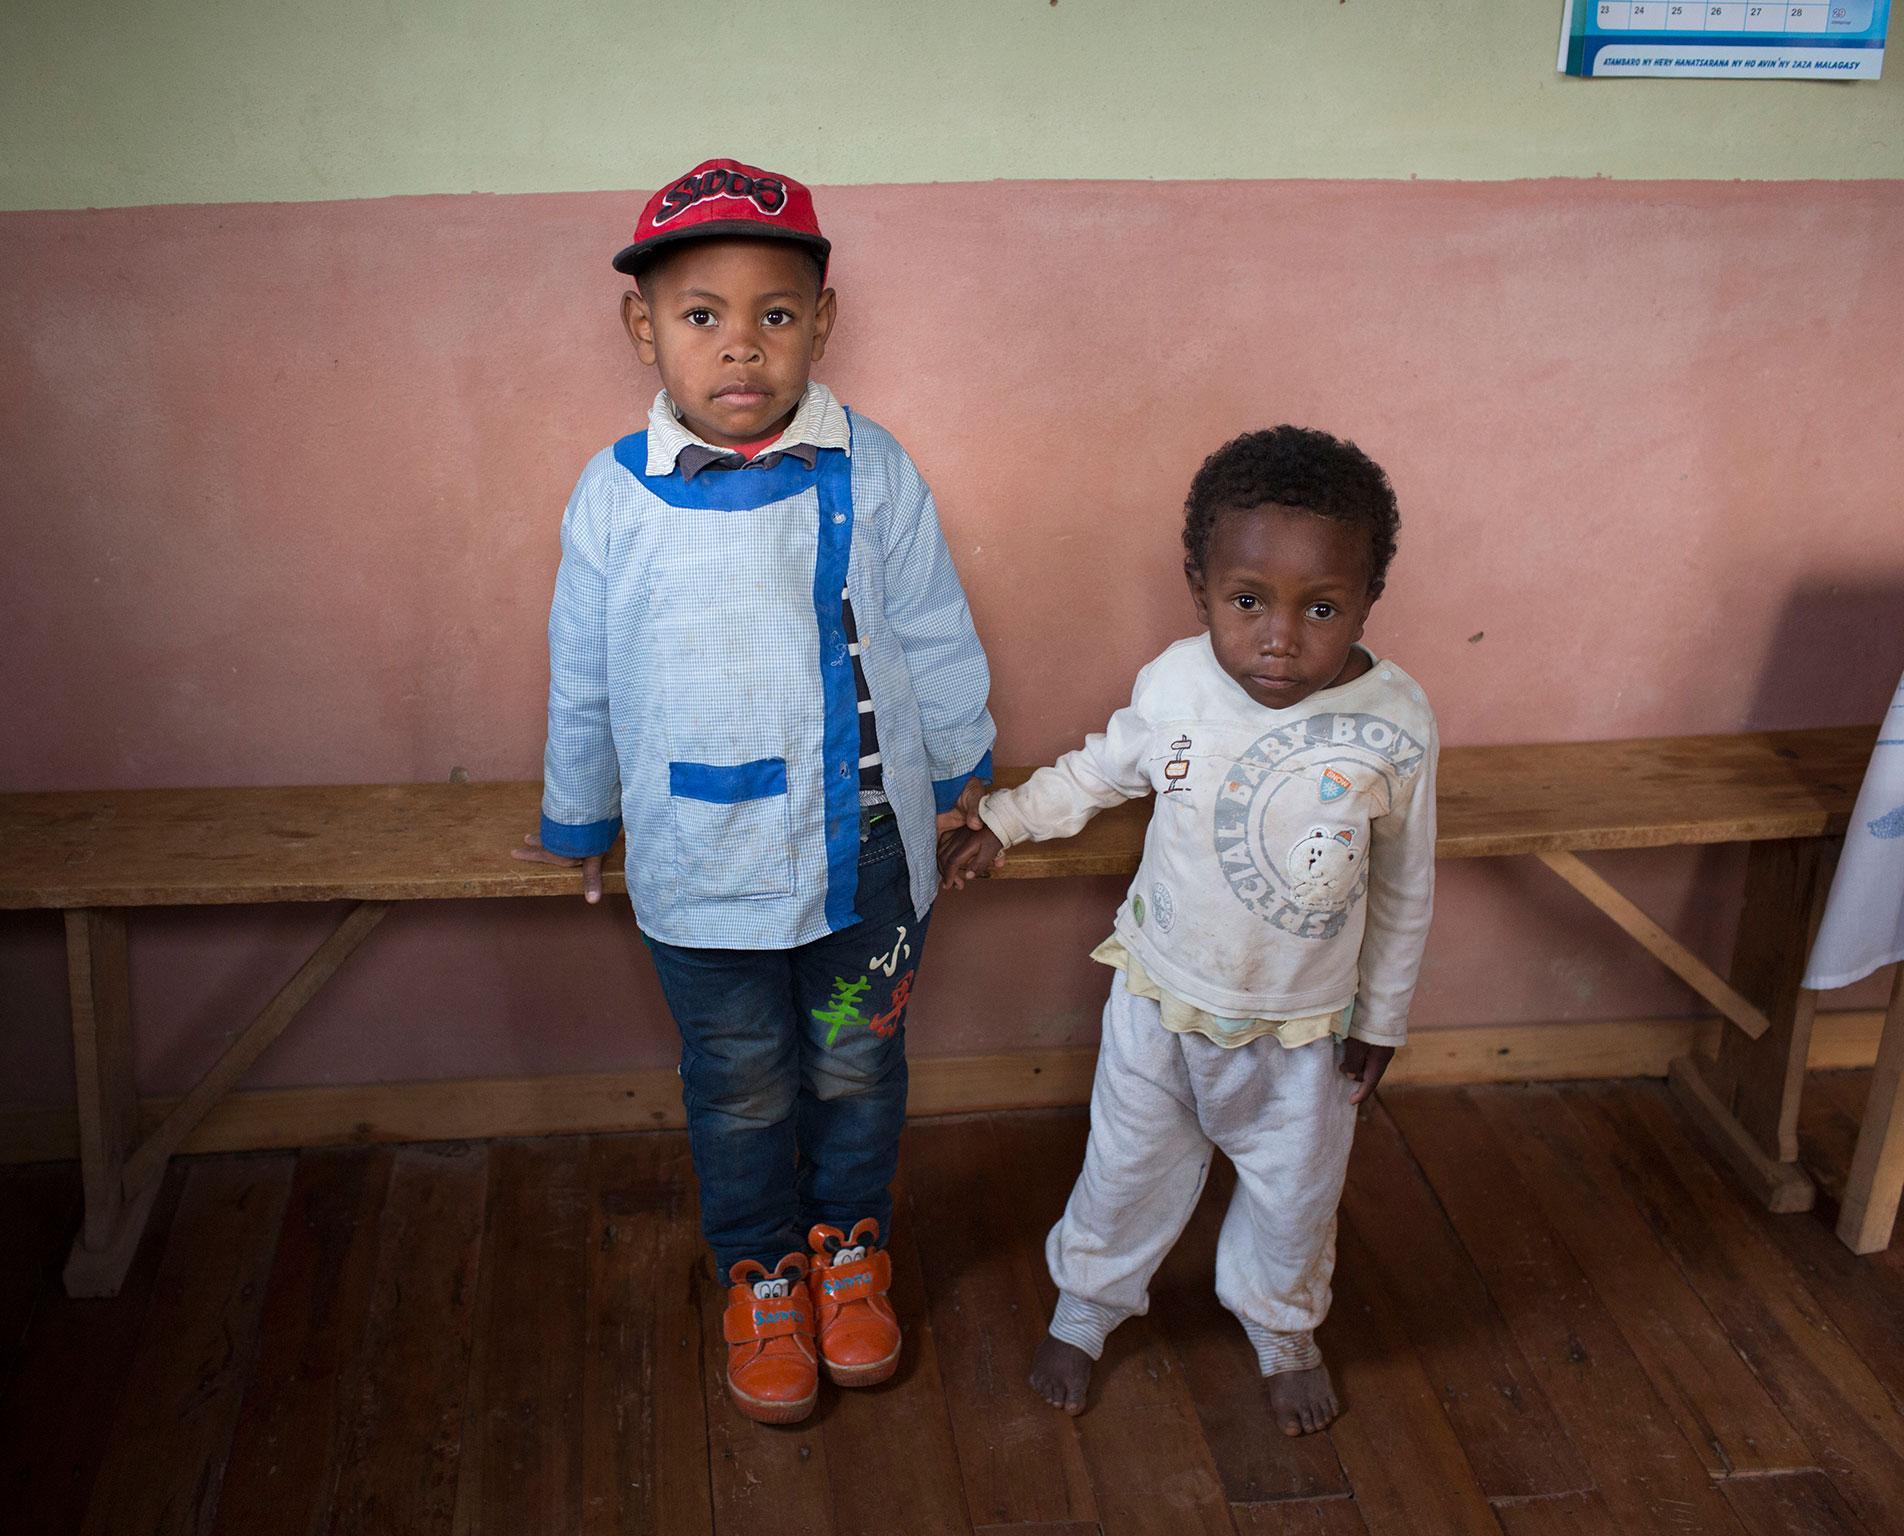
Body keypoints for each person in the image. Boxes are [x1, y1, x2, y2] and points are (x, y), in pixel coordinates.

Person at [517, 158, 995, 1425]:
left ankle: (850, 1252)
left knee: (853, 1067)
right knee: (737, 1081)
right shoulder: (616, 495)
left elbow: (933, 629)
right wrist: (580, 814)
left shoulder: (871, 465)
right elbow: (584, 673)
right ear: (642, 330)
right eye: (699, 316)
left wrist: (963, 777)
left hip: (873, 855)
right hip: (697, 856)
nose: (741, 348)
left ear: (820, 323)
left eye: (775, 315)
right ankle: (761, 1271)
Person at [939, 425, 1435, 1435]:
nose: (1279, 637)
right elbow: (1094, 770)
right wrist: (1002, 821)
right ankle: (1086, 1308)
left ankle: (1281, 1328)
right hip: (1158, 996)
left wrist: (1379, 1017)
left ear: (1366, 600)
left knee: (1294, 1198)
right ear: (1198, 585)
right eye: (1246, 600)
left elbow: (1402, 884)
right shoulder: (1174, 686)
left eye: (1321, 607)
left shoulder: (1395, 721)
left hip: (1304, 1029)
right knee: (1125, 1166)